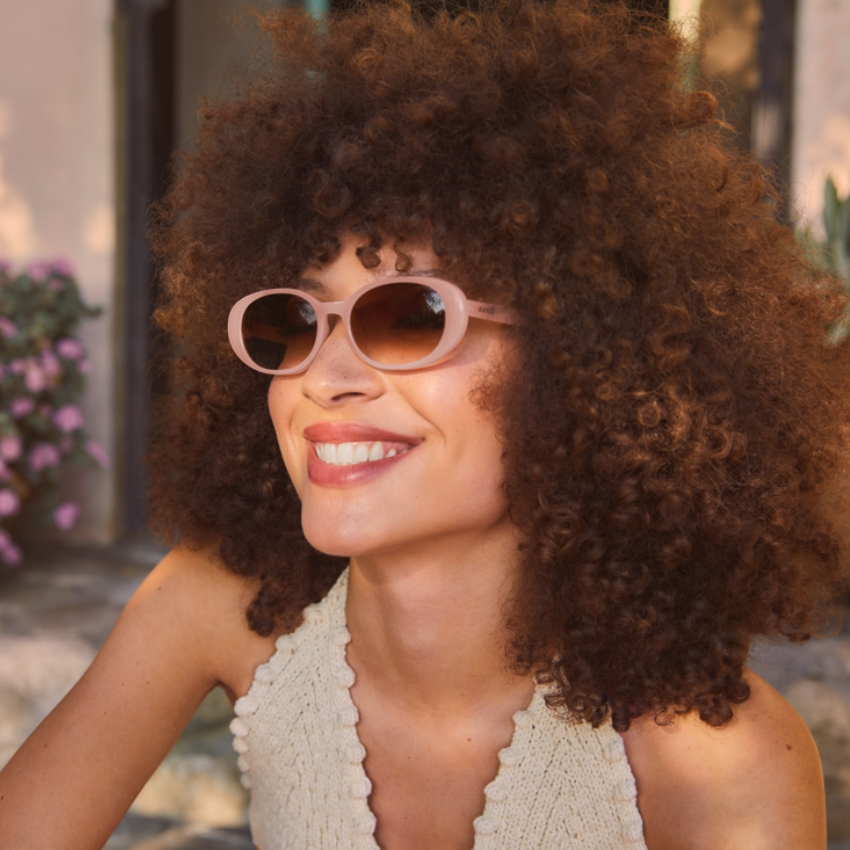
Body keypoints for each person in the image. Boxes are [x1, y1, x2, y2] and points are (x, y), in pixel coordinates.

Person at [0, 1, 847, 847]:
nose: (322, 378)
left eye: (407, 316)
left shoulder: (720, 764)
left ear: (584, 359)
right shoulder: (218, 607)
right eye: (294, 321)